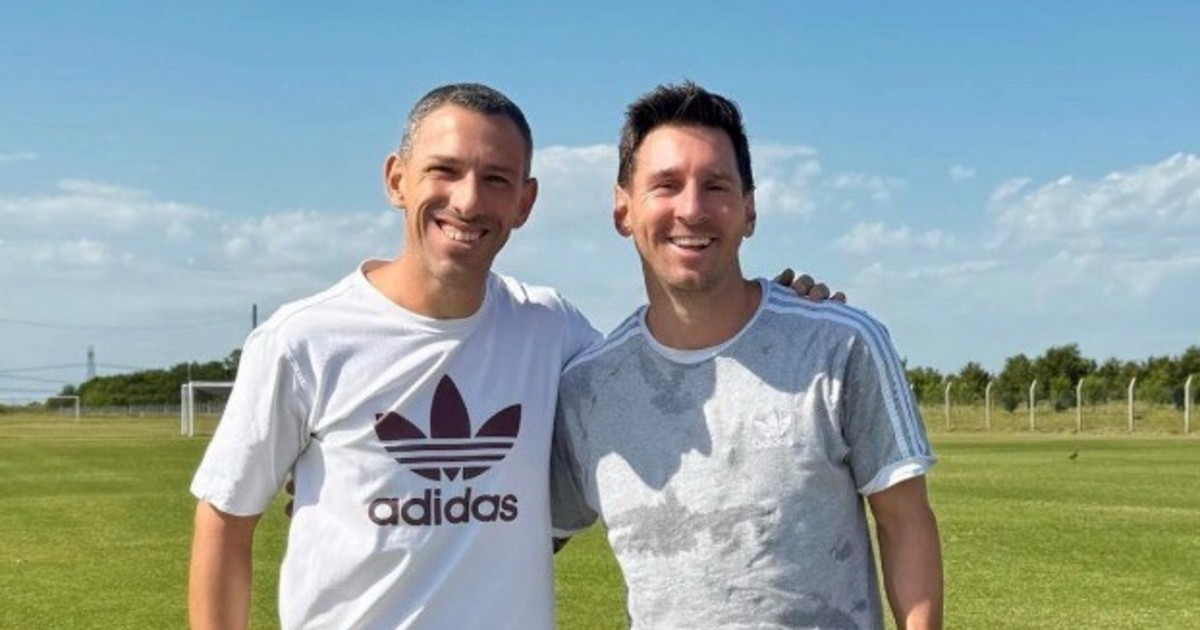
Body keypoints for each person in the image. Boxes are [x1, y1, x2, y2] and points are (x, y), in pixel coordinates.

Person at [188, 83, 838, 630]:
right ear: (396, 180)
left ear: (524, 201)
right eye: (444, 171)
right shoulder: (303, 340)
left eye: (495, 179)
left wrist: (777, 312)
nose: (468, 200)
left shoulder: (551, 330)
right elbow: (224, 524)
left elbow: (673, 359)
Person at [551, 82, 943, 629]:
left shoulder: (840, 345)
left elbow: (905, 524)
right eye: (666, 185)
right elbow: (521, 539)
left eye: (715, 186)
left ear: (749, 210)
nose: (692, 209)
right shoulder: (588, 388)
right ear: (623, 209)